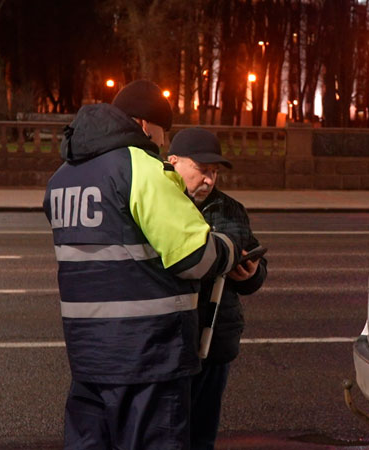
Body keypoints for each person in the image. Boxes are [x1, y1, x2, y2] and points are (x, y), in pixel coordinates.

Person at [42, 81, 242, 450]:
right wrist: (229, 248)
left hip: (88, 355)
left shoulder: (63, 177)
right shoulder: (142, 169)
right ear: (145, 125)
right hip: (148, 355)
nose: (162, 146)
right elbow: (193, 256)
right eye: (162, 135)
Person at [167, 128, 268, 450]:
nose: (209, 180)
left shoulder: (229, 209)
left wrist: (249, 274)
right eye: (202, 170)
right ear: (173, 162)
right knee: (166, 431)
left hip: (215, 340)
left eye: (214, 172)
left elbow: (252, 263)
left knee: (202, 433)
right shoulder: (160, 204)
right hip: (168, 340)